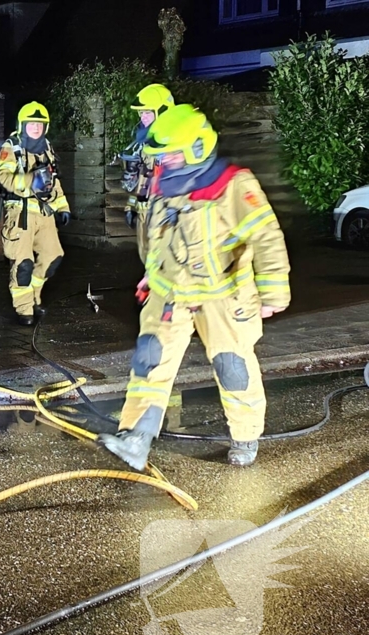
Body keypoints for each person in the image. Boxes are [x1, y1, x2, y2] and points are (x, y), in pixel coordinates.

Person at [98, 104, 291, 470]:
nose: (164, 162)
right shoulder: (165, 184)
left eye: (171, 155)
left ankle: (246, 436)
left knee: (233, 367)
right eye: (161, 156)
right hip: (170, 293)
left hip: (224, 296)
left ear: (197, 148)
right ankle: (137, 438)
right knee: (149, 361)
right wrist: (150, 277)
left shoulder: (233, 185)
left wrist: (273, 293)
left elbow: (266, 236)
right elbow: (158, 239)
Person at [0, 102, 71, 326]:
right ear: (22, 124)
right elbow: (2, 175)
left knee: (53, 257)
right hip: (21, 214)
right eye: (31, 124)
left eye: (40, 124)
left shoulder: (47, 147)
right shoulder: (12, 146)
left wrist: (62, 207)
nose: (35, 128)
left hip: (45, 214)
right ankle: (24, 309)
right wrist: (29, 182)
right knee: (23, 264)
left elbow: (52, 181)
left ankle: (35, 297)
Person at [121, 84, 176, 262]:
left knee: (165, 261)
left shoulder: (175, 143)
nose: (143, 118)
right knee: (146, 259)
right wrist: (130, 206)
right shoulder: (144, 144)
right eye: (141, 113)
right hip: (144, 212)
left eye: (148, 113)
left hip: (164, 213)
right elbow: (140, 178)